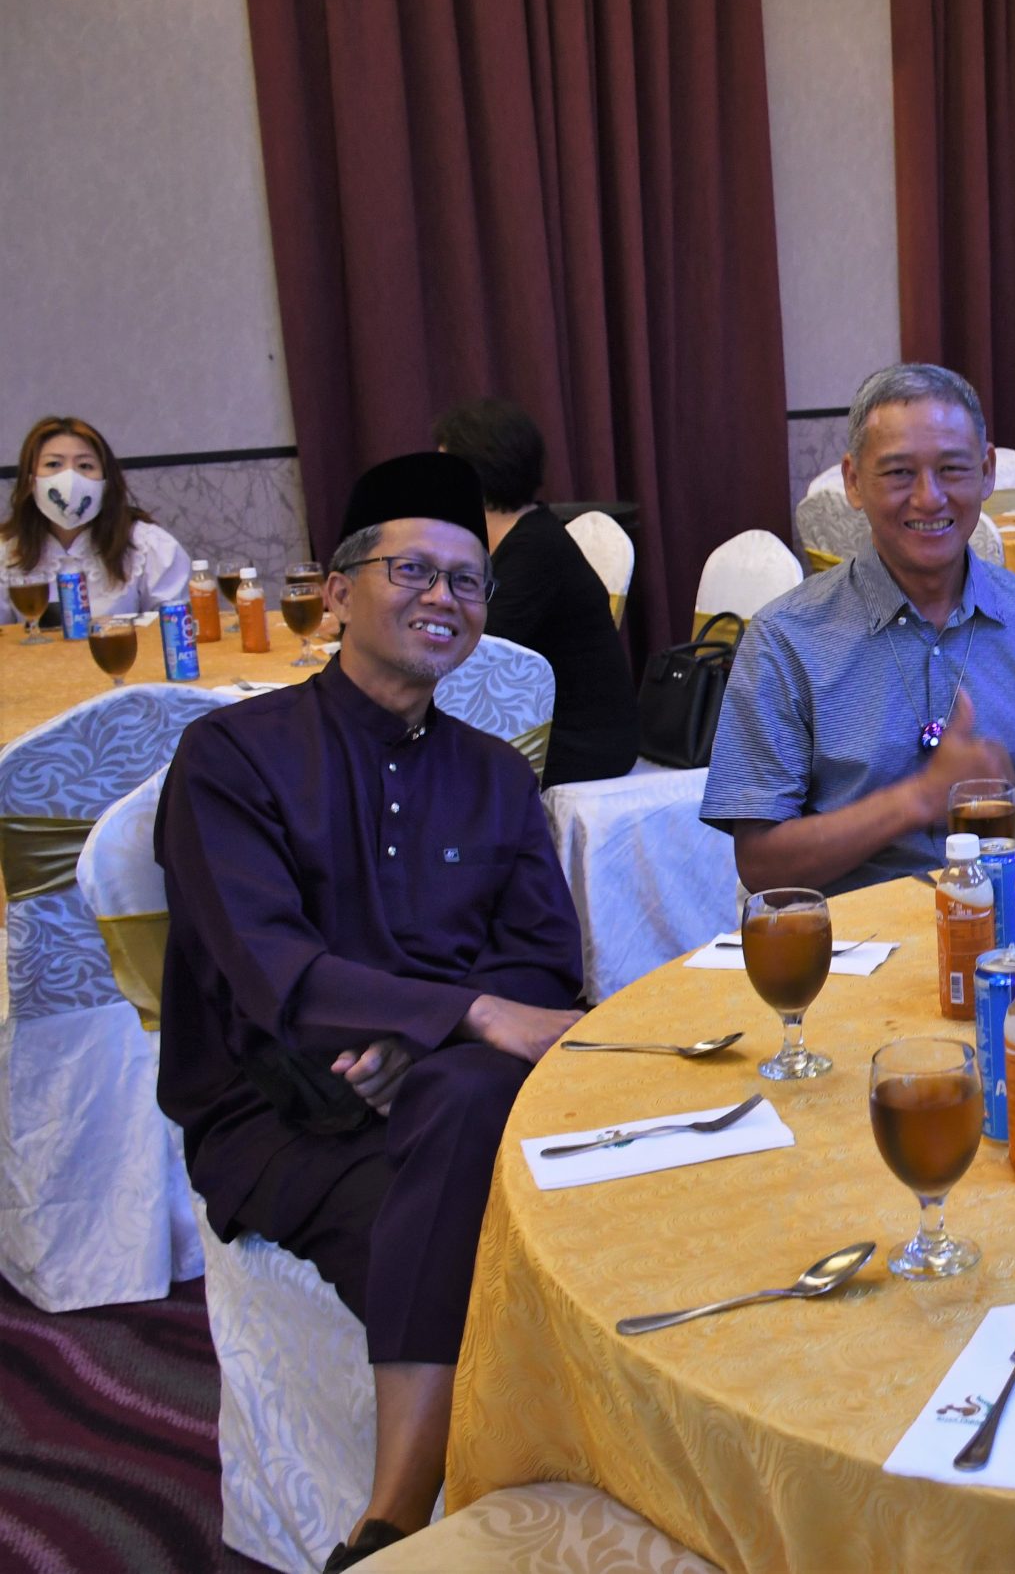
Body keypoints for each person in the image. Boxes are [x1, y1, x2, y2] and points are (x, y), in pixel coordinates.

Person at [156, 452, 585, 1570]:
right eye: (414, 571)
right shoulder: (230, 758)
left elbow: (544, 969)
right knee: (507, 1240)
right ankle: (438, 1521)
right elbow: (270, 970)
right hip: (278, 1113)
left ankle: (395, 1524)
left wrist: (427, 1033)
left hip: (455, 1103)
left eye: (468, 581)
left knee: (469, 1101)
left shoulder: (495, 776)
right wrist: (465, 1013)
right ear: (339, 591)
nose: (445, 596)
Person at [701, 363, 1015, 891]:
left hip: (1014, 924)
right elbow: (760, 864)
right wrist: (919, 798)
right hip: (858, 934)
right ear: (853, 481)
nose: (929, 498)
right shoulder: (785, 640)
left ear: (986, 471)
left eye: (952, 469)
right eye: (898, 473)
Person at [432, 397, 640, 785]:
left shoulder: (536, 549)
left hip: (585, 741)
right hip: (543, 720)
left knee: (421, 755)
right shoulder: (504, 539)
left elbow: (475, 658)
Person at [2, 414, 191, 622]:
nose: (70, 479)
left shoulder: (148, 547)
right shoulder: (6, 551)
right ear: (30, 481)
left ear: (106, 481)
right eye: (53, 464)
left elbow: (177, 626)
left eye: (85, 466)